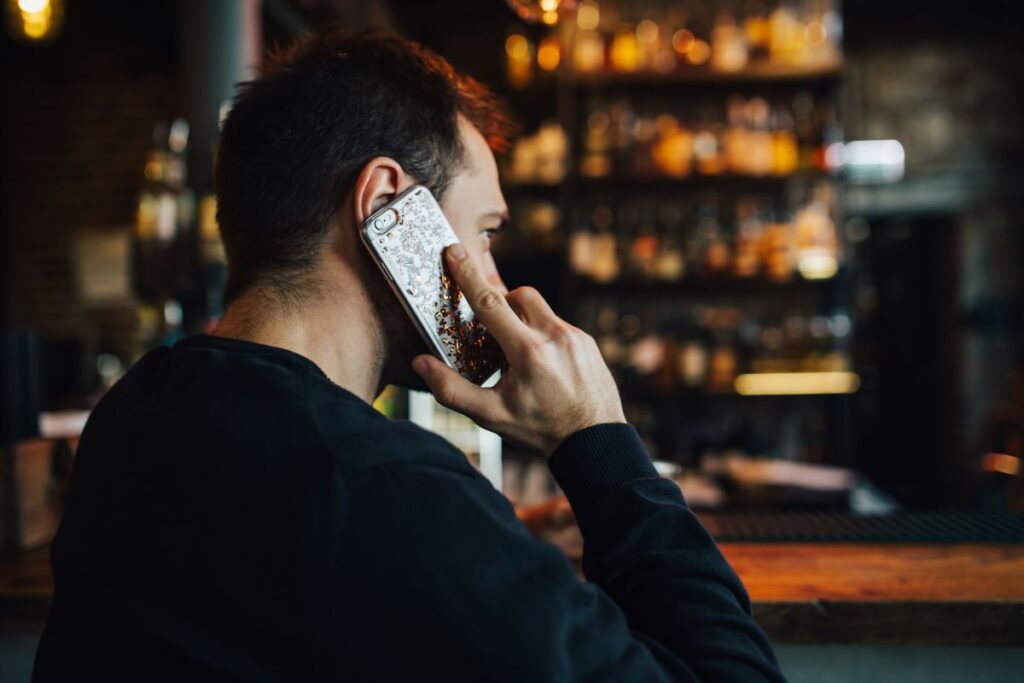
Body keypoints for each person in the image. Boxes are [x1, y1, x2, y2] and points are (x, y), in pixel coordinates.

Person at [33, 29, 785, 682]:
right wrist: (599, 443)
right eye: (485, 232)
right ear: (388, 204)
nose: (492, 278)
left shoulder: (133, 416)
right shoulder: (380, 489)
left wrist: (493, 546)